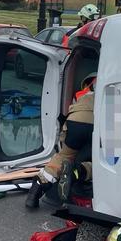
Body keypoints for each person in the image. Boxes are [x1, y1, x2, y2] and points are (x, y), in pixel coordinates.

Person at [26, 73, 96, 208]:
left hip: (75, 123)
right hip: (101, 123)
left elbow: (70, 113)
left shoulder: (82, 94)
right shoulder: (114, 89)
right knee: (106, 161)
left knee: (64, 156)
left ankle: (35, 192)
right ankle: (76, 172)